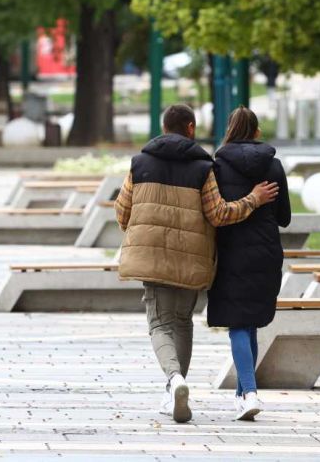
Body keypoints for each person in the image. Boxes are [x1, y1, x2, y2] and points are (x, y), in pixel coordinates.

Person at [114, 104, 279, 424]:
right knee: (182, 321)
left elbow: (123, 212)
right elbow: (219, 214)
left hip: (152, 259)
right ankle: (175, 388)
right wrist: (254, 200)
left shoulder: (140, 163)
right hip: (192, 261)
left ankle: (175, 380)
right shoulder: (204, 167)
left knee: (160, 324)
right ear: (190, 128)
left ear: (164, 127)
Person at [207, 107, 291, 421]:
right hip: (266, 251)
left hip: (231, 252)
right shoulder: (274, 167)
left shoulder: (216, 167)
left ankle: (251, 392)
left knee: (238, 324)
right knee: (250, 322)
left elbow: (213, 213)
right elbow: (284, 217)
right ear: (256, 132)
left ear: (229, 130)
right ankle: (243, 395)